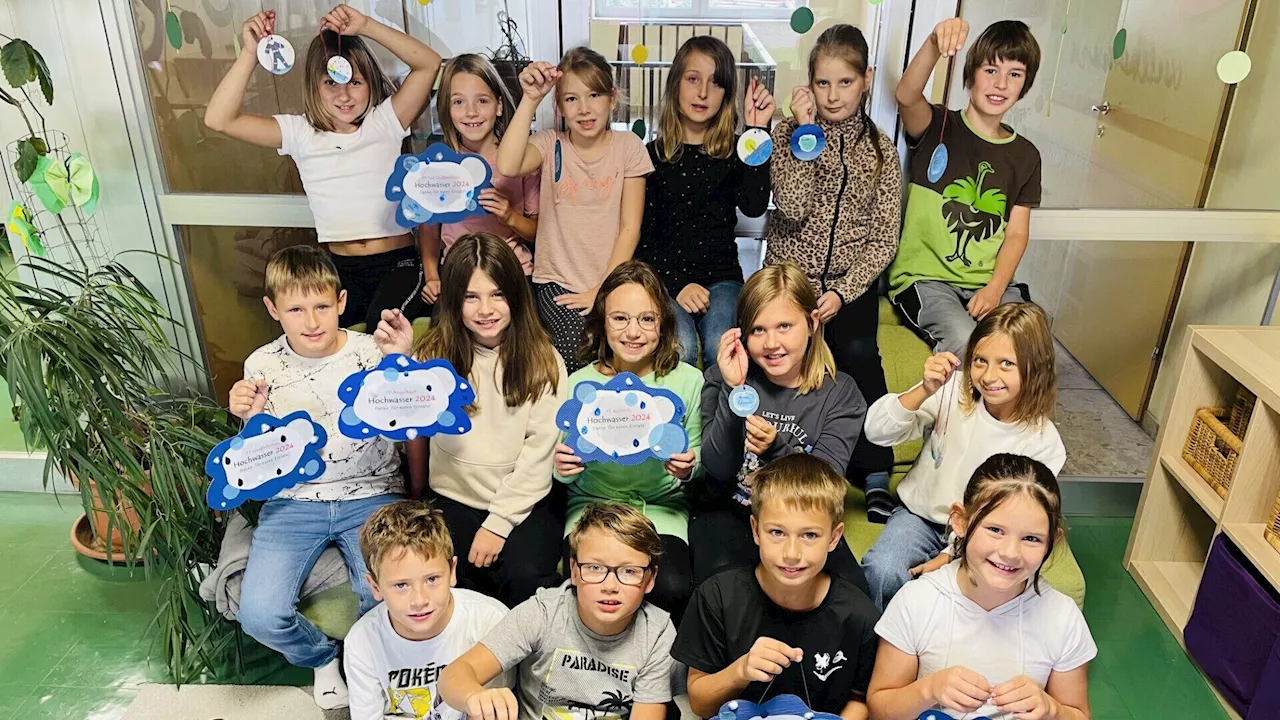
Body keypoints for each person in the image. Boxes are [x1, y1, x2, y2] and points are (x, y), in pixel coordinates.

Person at [228, 245, 402, 710]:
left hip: (373, 493)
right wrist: (246, 416)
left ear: (341, 302)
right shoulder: (261, 365)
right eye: (296, 309)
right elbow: (258, 455)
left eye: (322, 306)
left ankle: (372, 666)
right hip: (292, 504)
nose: (312, 321)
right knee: (260, 614)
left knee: (383, 594)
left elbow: (406, 419)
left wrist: (398, 361)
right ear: (272, 310)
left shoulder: (370, 352)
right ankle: (324, 658)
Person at [206, 5, 442, 330]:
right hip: (338, 269)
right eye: (331, 82)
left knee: (381, 329)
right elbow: (219, 119)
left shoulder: (385, 121)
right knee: (327, 338)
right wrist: (250, 53)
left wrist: (367, 26)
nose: (344, 94)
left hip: (397, 264)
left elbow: (428, 64)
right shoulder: (300, 133)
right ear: (314, 86)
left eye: (354, 82)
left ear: (370, 83)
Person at [375, 233, 566, 607]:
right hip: (453, 497)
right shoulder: (433, 353)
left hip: (524, 501)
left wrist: (498, 524)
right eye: (470, 297)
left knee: (525, 578)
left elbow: (539, 454)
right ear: (453, 300)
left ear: (515, 295)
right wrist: (396, 361)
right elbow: (401, 418)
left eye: (497, 294)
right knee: (453, 580)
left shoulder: (545, 360)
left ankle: (522, 662)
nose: (486, 309)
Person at [766, 23, 903, 525]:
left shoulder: (880, 150)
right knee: (781, 357)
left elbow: (883, 237)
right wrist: (804, 133)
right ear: (809, 84)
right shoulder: (790, 134)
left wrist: (844, 292)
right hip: (789, 281)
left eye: (844, 83)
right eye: (822, 84)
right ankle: (773, 461)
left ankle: (872, 472)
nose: (833, 95)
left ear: (866, 80)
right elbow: (794, 205)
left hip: (849, 283)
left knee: (861, 356)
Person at [860, 303, 1063, 611]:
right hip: (921, 517)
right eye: (980, 361)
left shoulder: (1043, 442)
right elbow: (876, 432)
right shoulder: (953, 389)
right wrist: (924, 390)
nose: (989, 375)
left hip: (986, 535)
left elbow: (1014, 518)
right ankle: (880, 653)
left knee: (961, 596)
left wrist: (949, 555)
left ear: (1035, 367)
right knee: (883, 571)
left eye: (1006, 363)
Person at [867, 454, 1094, 720]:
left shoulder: (1062, 617)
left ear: (1052, 542)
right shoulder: (917, 601)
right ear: (961, 522)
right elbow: (879, 709)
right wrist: (929, 689)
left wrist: (1051, 710)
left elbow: (1078, 715)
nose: (1010, 552)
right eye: (996, 530)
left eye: (1031, 538)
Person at [694, 263, 869, 595]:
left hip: (804, 519)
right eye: (758, 330)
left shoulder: (841, 393)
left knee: (854, 593)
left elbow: (828, 484)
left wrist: (777, 449)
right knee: (720, 589)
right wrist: (732, 389)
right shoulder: (721, 377)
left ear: (812, 323)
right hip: (728, 509)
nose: (771, 343)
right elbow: (716, 469)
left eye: (785, 326)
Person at [675, 454, 880, 720]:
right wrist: (741, 671)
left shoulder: (859, 615)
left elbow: (859, 701)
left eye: (809, 535)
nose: (792, 553)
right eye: (777, 532)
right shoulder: (716, 597)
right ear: (756, 530)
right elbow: (699, 704)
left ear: (834, 537)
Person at [554, 260, 703, 620]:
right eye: (620, 318)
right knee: (589, 588)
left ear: (663, 326)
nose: (633, 332)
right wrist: (562, 468)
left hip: (661, 512)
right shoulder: (579, 385)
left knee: (672, 587)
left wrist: (689, 466)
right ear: (602, 324)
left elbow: (698, 455)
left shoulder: (689, 381)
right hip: (591, 508)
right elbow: (562, 463)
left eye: (647, 319)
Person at [888, 18, 1043, 356]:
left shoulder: (1026, 156)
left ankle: (1014, 412)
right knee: (965, 339)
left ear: (1024, 85)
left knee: (1028, 343)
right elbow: (906, 95)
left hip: (987, 281)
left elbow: (1016, 234)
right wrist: (933, 43)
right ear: (971, 74)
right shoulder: (938, 125)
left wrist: (995, 289)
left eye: (1014, 74)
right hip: (924, 280)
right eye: (991, 70)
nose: (1000, 83)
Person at [438, 503, 677, 720]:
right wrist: (474, 697)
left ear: (650, 579)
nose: (610, 586)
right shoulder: (543, 612)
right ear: (574, 570)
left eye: (629, 571)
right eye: (594, 568)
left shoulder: (656, 633)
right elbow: (454, 675)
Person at [497, 48, 654, 371]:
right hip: (558, 280)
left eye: (594, 95)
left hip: (611, 278)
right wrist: (530, 98)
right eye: (571, 99)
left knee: (630, 346)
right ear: (559, 107)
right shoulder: (549, 143)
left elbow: (630, 228)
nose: (584, 109)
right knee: (578, 348)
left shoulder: (629, 148)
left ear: (612, 99)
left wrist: (602, 289)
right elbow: (508, 164)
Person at [635, 35, 773, 368]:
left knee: (720, 345)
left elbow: (754, 206)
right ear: (675, 84)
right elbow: (642, 237)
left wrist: (758, 131)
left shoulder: (738, 150)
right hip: (667, 280)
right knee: (680, 348)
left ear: (726, 94)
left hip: (722, 278)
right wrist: (678, 286)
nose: (702, 93)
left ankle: (719, 421)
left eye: (715, 83)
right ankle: (683, 422)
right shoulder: (650, 157)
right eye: (693, 79)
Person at [344, 499, 512, 720]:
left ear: (452, 571)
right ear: (375, 586)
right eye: (401, 585)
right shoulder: (361, 641)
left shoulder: (490, 620)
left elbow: (493, 710)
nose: (419, 600)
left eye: (432, 579)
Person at [420, 54, 539, 304]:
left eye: (482, 101)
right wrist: (432, 277)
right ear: (446, 108)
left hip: (512, 273)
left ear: (498, 106)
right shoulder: (437, 165)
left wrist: (510, 216)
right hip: (458, 276)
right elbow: (429, 228)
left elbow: (538, 231)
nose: (471, 112)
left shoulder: (522, 160)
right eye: (459, 102)